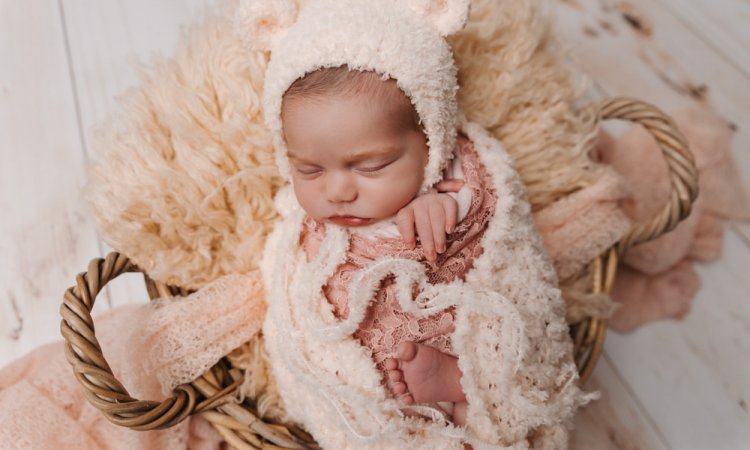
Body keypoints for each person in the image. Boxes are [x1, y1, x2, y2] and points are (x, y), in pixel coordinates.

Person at [247, 0, 594, 448]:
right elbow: (286, 292)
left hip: (443, 341)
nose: (337, 191)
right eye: (309, 170)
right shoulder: (303, 222)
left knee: (501, 393)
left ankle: (465, 383)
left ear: (431, 141)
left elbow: (492, 226)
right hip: (365, 385)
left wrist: (447, 203)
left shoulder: (453, 181)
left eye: (371, 166)